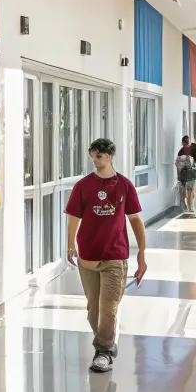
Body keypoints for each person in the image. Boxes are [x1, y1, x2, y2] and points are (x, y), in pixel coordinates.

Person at [66, 137, 148, 373]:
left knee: (108, 307)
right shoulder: (82, 186)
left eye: (99, 156)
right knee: (93, 309)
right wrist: (70, 244)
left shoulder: (124, 185)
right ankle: (108, 343)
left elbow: (135, 220)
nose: (95, 160)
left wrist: (142, 254)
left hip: (115, 257)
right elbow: (73, 217)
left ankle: (102, 351)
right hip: (88, 257)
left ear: (110, 156)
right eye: (92, 155)